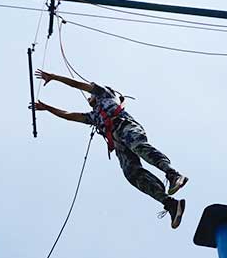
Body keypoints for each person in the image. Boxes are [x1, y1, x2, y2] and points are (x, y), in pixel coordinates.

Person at [34, 69, 189, 228]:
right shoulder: (93, 116)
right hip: (118, 143)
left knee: (139, 147)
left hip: (125, 127)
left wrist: (54, 77)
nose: (89, 98)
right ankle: (170, 204)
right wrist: (47, 108)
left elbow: (77, 85)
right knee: (132, 174)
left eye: (90, 95)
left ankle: (173, 174)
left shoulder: (105, 94)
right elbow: (69, 114)